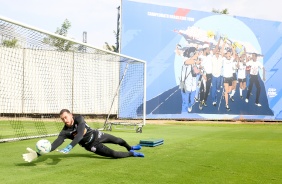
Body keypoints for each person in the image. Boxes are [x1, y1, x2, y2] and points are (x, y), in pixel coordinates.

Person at [22, 109, 144, 162]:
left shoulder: (79, 119)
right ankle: (131, 153)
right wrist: (38, 154)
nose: (64, 120)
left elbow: (80, 134)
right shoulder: (64, 132)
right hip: (91, 145)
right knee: (113, 154)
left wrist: (70, 146)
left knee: (119, 140)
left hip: (97, 135)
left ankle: (130, 147)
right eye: (62, 119)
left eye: (66, 117)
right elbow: (54, 145)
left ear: (71, 115)